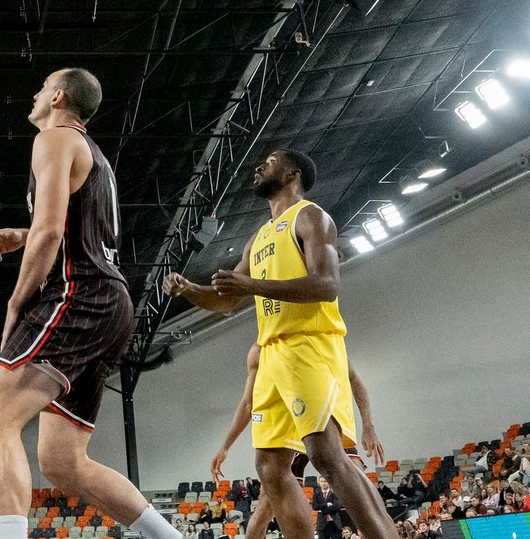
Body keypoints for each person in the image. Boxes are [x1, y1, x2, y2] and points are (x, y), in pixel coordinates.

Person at [0, 70, 179, 539]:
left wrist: (17, 301)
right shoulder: (93, 155)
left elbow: (51, 233)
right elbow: (73, 227)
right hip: (112, 303)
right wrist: (24, 234)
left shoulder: (54, 138)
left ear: (58, 97)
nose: (35, 92)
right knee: (62, 462)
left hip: (79, 294)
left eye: (41, 86)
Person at [163, 149, 396, 539]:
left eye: (269, 162)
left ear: (292, 173)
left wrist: (252, 285)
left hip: (309, 344)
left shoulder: (310, 217)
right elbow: (226, 299)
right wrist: (190, 290)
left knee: (326, 456)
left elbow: (327, 285)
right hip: (272, 354)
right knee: (271, 468)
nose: (258, 167)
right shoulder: (257, 238)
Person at [210, 344, 384, 538]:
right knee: (267, 503)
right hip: (290, 427)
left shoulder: (318, 334)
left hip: (322, 415)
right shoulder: (260, 351)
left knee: (356, 474)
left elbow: (353, 378)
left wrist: (368, 426)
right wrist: (226, 446)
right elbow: (248, 403)